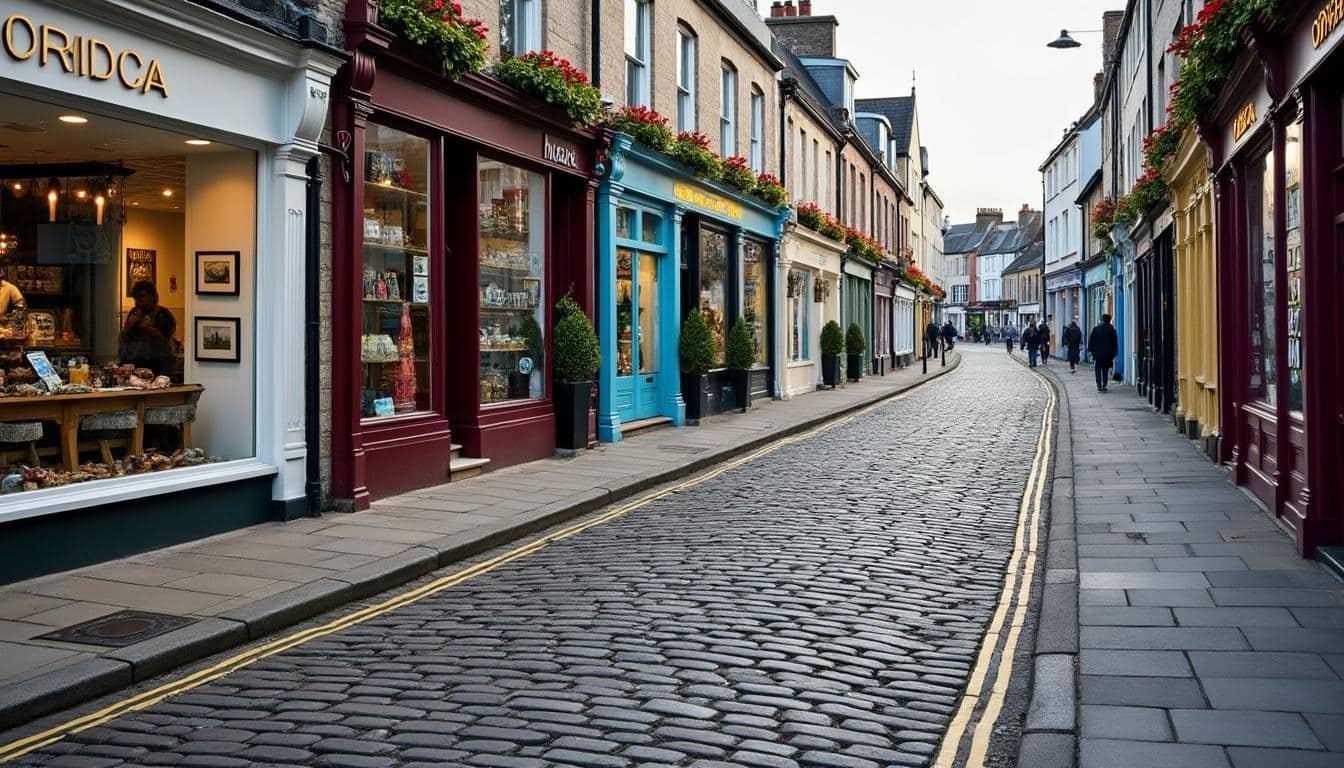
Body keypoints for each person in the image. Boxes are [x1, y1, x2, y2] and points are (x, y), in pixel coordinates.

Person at [119, 280, 177, 376]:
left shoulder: (163, 314)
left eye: (142, 296)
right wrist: (129, 326)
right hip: (136, 367)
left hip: (159, 368)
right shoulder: (134, 313)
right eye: (136, 298)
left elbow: (166, 342)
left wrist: (148, 328)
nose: (138, 301)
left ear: (153, 297)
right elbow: (124, 340)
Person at [1088, 313, 1120, 392]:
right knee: (1105, 370)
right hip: (1108, 354)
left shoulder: (1096, 329)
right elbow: (1115, 342)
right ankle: (1104, 385)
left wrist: (1090, 351)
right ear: (1109, 320)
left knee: (1098, 369)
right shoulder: (1112, 330)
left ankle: (1099, 385)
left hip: (1097, 353)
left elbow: (1091, 340)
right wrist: (1115, 352)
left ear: (1102, 320)